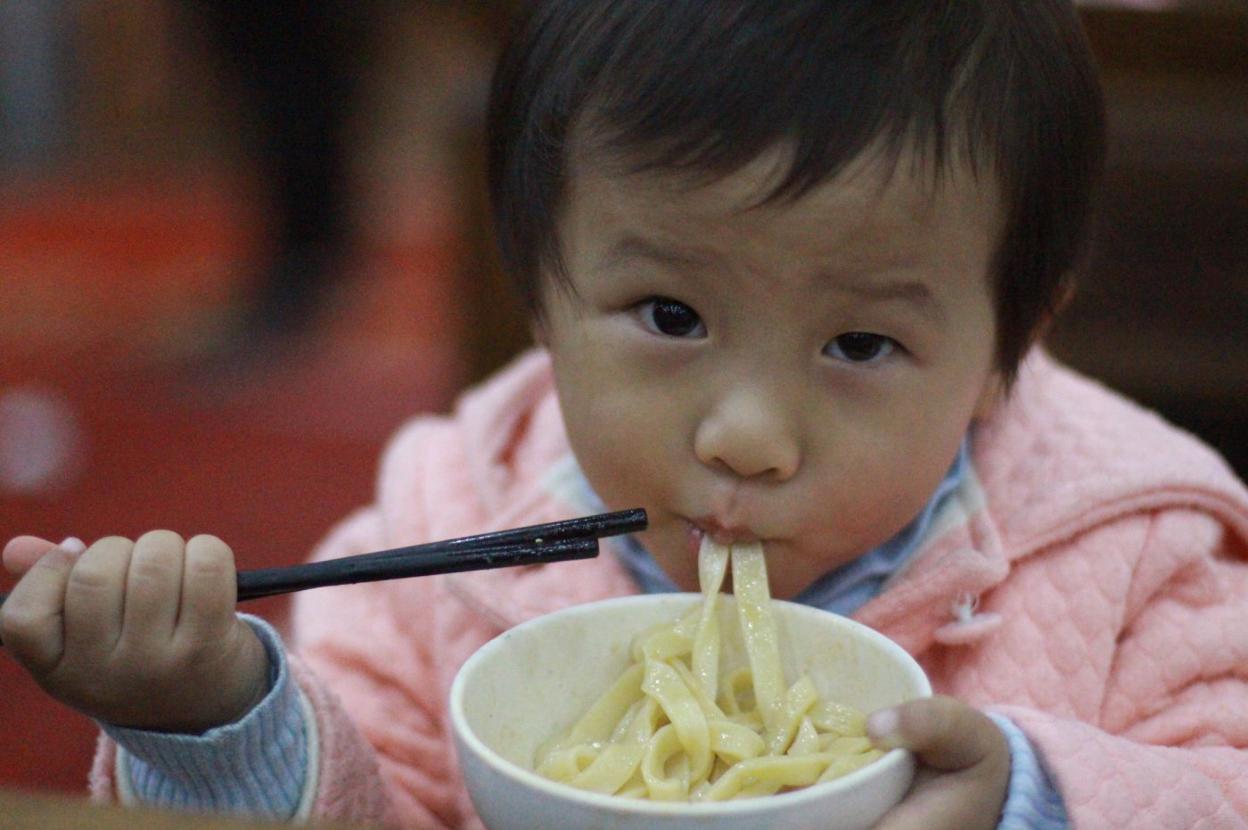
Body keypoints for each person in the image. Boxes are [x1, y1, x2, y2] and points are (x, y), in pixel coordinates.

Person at [3, 1, 1247, 827]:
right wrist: (220, 719)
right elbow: (381, 800)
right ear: (540, 295)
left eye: (861, 343)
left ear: (1004, 353)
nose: (747, 434)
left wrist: (1034, 798)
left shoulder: (1131, 548)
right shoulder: (451, 518)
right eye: (669, 314)